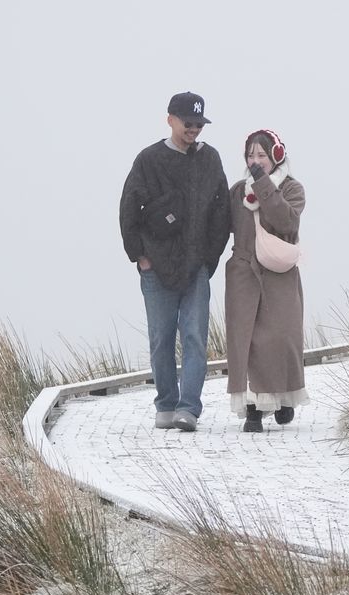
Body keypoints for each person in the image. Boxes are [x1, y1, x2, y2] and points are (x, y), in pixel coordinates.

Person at [119, 92, 230, 432]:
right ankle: (166, 405)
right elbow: (128, 210)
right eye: (188, 123)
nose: (194, 129)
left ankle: (189, 408)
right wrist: (140, 256)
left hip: (196, 267)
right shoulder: (148, 160)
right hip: (156, 268)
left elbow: (222, 212)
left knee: (195, 336)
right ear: (170, 119)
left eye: (199, 124)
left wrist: (208, 260)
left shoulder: (210, 159)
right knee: (161, 338)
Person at [225, 129, 309, 432]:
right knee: (246, 341)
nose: (255, 161)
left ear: (276, 156)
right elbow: (220, 227)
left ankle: (285, 398)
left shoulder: (291, 188)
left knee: (281, 338)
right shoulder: (237, 191)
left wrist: (262, 184)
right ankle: (253, 411)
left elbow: (285, 221)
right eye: (250, 155)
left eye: (261, 154)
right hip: (243, 273)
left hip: (279, 275)